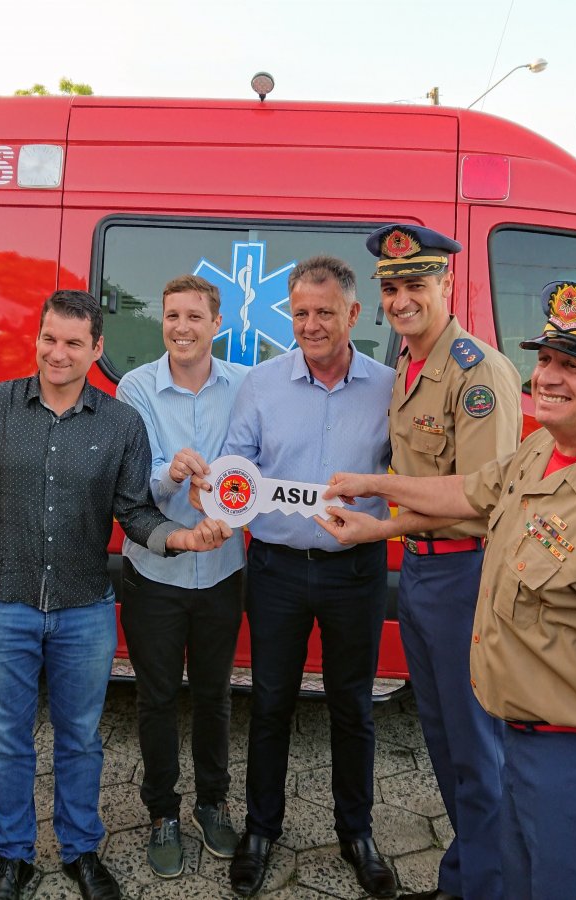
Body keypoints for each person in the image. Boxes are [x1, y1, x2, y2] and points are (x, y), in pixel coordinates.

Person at [319, 282, 576, 900]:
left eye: (575, 366)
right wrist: (373, 494)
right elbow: (469, 491)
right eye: (548, 359)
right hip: (524, 747)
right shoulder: (548, 449)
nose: (548, 378)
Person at [0, 289, 232, 900]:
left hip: (84, 608)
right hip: (3, 600)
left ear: (95, 349)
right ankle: (13, 858)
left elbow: (132, 512)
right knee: (6, 739)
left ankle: (80, 852)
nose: (58, 352)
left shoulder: (120, 422)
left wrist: (181, 540)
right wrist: (4, 532)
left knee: (79, 739)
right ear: (38, 337)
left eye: (74, 342)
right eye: (50, 338)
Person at [193, 255, 400, 899]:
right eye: (301, 313)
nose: (311, 325)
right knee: (272, 702)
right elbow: (239, 468)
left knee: (353, 707)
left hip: (356, 571)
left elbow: (409, 473)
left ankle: (356, 834)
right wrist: (225, 495)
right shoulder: (260, 384)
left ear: (353, 315)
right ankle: (261, 831)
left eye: (325, 312)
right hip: (278, 568)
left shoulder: (391, 387)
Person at [362, 224, 521, 900]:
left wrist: (375, 514)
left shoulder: (476, 370)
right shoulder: (410, 361)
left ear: (446, 284)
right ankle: (467, 876)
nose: (402, 299)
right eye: (392, 287)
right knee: (445, 744)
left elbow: (481, 500)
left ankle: (491, 887)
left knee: (479, 756)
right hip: (424, 572)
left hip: (466, 574)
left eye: (416, 284)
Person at [114, 275, 248, 877]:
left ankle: (212, 804)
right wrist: (171, 474)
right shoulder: (135, 388)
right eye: (172, 316)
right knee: (158, 699)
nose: (182, 327)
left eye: (195, 316)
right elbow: (126, 487)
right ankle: (162, 812)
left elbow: (259, 469)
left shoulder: (244, 386)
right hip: (155, 574)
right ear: (161, 321)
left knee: (216, 696)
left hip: (223, 570)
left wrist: (234, 503)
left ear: (216, 324)